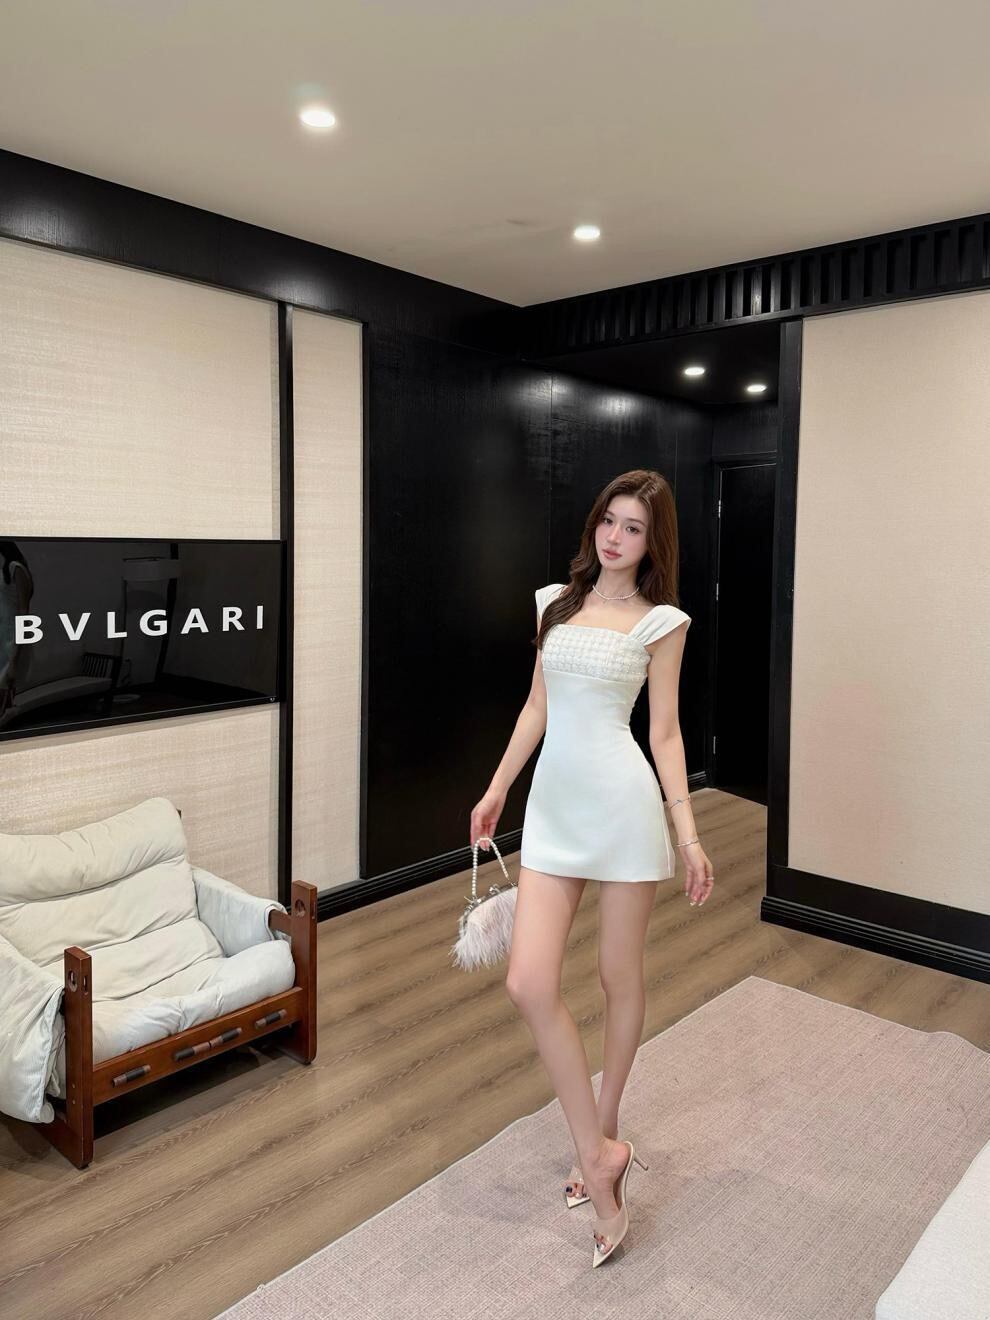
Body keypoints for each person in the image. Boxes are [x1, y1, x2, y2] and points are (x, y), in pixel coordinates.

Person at [469, 469, 714, 1268]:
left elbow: (665, 734)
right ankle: (600, 1151)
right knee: (527, 982)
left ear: (652, 542)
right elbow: (536, 707)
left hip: (622, 807)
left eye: (633, 528)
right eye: (609, 520)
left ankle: (602, 1135)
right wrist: (497, 789)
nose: (615, 537)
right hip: (553, 811)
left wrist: (688, 837)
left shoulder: (663, 622)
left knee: (617, 976)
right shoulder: (553, 603)